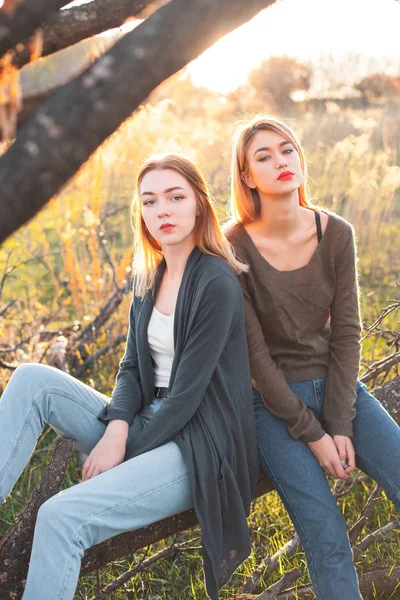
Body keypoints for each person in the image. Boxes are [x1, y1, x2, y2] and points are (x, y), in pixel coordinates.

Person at [0, 153, 259, 600]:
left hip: (196, 441)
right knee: (31, 379)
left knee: (61, 517)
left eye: (175, 197)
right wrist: (117, 428)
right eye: (150, 200)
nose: (163, 210)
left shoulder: (216, 282)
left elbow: (186, 398)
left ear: (198, 203)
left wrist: (124, 453)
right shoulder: (148, 276)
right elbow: (132, 368)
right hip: (144, 417)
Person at [225, 114, 400, 600]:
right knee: (327, 537)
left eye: (287, 150)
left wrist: (340, 422)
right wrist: (316, 436)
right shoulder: (230, 247)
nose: (281, 161)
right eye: (263, 156)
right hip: (273, 408)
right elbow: (256, 361)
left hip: (340, 391)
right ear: (246, 176)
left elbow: (347, 334)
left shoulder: (337, 233)